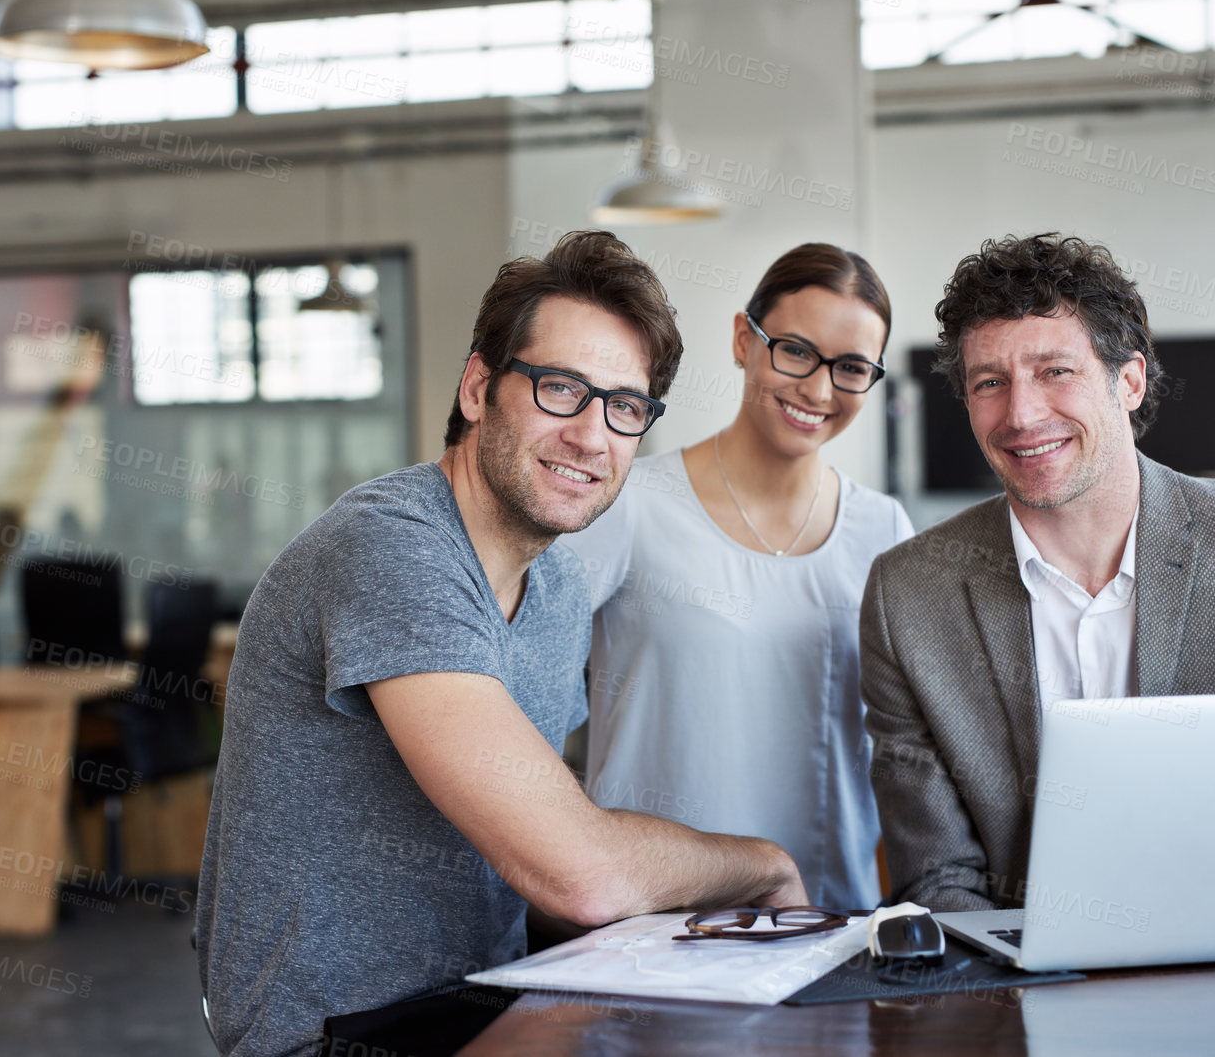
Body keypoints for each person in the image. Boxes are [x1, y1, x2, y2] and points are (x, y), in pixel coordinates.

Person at [196, 230, 806, 1057]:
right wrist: (758, 865)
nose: (591, 436)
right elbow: (577, 874)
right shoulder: (392, 547)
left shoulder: (555, 589)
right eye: (560, 388)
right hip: (333, 1036)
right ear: (479, 386)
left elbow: (536, 880)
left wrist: (709, 937)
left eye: (624, 407)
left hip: (481, 1006)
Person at [860, 232, 1215, 913]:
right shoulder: (908, 595)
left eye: (1055, 371)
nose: (1020, 414)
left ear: (1128, 380)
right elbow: (937, 878)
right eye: (990, 382)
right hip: (1018, 994)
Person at [564, 242, 913, 912]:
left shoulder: (883, 531)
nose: (817, 388)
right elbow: (523, 699)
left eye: (850, 368)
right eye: (794, 350)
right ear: (741, 340)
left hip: (826, 923)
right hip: (651, 923)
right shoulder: (629, 504)